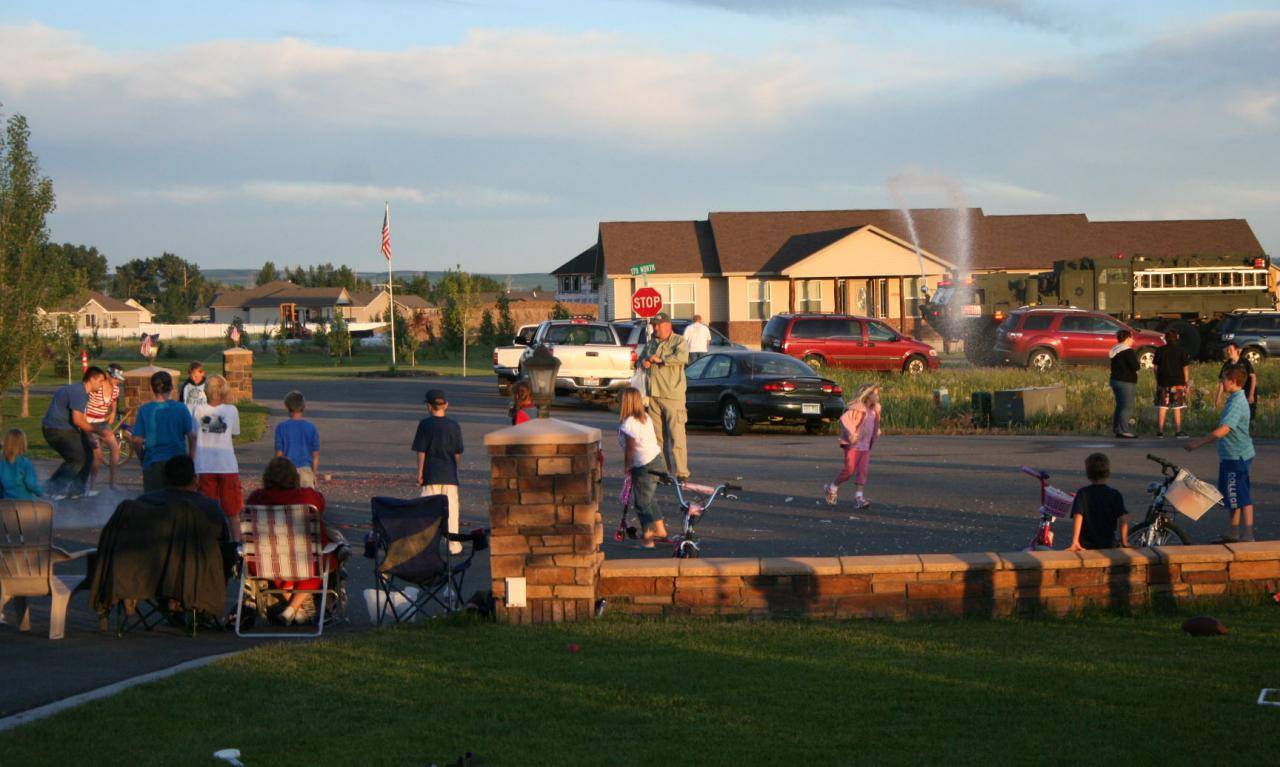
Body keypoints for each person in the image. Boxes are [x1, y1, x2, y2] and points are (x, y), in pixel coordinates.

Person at [244, 457, 334, 625]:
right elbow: (321, 504)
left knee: (280, 562)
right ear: (294, 477)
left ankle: (294, 608)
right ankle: (294, 607)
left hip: (266, 563)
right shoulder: (307, 497)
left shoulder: (256, 499)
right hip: (304, 562)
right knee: (324, 555)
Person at [1186, 365, 1255, 542]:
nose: (1221, 382)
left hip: (1236, 457)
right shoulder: (1234, 398)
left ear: (1233, 381)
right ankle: (1234, 532)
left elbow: (1224, 429)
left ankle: (1248, 535)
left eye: (1223, 379)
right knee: (1232, 497)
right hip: (1231, 456)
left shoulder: (1237, 402)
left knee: (1240, 495)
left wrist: (1198, 444)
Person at [411, 389, 464, 554]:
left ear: (428, 406)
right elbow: (457, 453)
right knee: (452, 511)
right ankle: (454, 545)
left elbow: (421, 451)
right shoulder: (454, 426)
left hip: (431, 473)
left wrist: (420, 472)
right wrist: (455, 469)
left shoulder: (425, 425)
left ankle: (424, 543)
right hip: (449, 473)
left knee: (427, 510)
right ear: (446, 405)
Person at [41, 367, 107, 499]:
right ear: (92, 379)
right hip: (55, 429)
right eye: (100, 381)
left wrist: (90, 438)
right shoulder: (78, 392)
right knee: (77, 458)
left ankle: (76, 490)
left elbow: (81, 419)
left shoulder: (82, 391)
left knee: (89, 453)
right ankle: (50, 489)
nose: (101, 385)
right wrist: (98, 430)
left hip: (65, 428)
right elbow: (77, 421)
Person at [640, 312, 690, 481]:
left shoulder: (679, 341)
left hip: (672, 395)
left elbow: (682, 357)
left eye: (658, 325)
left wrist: (660, 359)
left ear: (668, 325)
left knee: (677, 436)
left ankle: (682, 472)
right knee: (657, 438)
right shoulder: (651, 343)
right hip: (653, 395)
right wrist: (644, 361)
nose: (655, 328)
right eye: (654, 325)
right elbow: (641, 359)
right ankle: (663, 472)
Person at [192, 375, 243, 534]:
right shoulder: (231, 410)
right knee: (233, 513)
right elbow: (235, 432)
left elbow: (194, 435)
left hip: (205, 464)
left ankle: (211, 543)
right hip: (226, 464)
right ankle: (237, 546)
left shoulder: (198, 410)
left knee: (207, 512)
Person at [131, 371, 196, 493]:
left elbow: (136, 440)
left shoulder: (145, 410)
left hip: (154, 462)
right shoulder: (181, 408)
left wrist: (142, 458)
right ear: (171, 388)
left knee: (154, 502)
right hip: (178, 462)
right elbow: (192, 436)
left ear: (151, 388)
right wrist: (191, 459)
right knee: (179, 500)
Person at [618, 387, 667, 546]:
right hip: (656, 460)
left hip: (644, 465)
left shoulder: (629, 423)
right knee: (649, 498)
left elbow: (630, 448)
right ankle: (660, 531)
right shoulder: (645, 417)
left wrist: (627, 466)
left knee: (642, 503)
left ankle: (648, 539)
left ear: (625, 403)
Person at [824, 383, 881, 509]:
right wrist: (852, 433)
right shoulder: (857, 408)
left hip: (866, 446)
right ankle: (832, 487)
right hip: (853, 445)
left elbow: (874, 424)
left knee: (862, 471)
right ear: (867, 395)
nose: (877, 396)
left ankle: (858, 497)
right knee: (849, 470)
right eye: (875, 394)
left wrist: (877, 431)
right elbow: (844, 419)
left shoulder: (874, 410)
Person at [1066, 452, 1129, 551]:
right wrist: (1125, 541)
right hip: (1108, 544)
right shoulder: (1115, 494)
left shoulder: (1083, 493)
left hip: (1086, 545)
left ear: (1088, 473)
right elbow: (1123, 519)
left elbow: (1078, 516)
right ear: (1107, 472)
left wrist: (1075, 541)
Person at [86, 364, 126, 491]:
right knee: (98, 456)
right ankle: (92, 485)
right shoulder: (97, 386)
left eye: (119, 379)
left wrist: (113, 412)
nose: (117, 381)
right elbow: (84, 400)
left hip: (102, 422)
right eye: (115, 378)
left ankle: (112, 483)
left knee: (115, 448)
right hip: (89, 422)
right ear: (108, 375)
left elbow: (114, 400)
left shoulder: (115, 389)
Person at [274, 390, 320, 488]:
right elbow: (315, 455)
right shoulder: (311, 428)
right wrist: (313, 474)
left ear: (286, 406)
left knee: (288, 500)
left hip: (287, 471)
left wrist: (277, 472)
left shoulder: (281, 427)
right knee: (305, 500)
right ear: (304, 407)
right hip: (306, 470)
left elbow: (279, 454)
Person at [1152, 329, 1190, 438]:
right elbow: (1185, 368)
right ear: (1177, 338)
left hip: (1163, 382)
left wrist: (1157, 380)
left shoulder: (1160, 350)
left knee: (1162, 406)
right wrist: (1186, 382)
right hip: (1178, 382)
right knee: (1177, 407)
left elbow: (1155, 367)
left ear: (1166, 338)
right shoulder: (1182, 351)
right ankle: (1178, 431)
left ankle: (1160, 431)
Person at [1216, 341, 1257, 426]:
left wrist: (1251, 394)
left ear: (1237, 350)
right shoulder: (1227, 364)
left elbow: (1253, 377)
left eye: (1230, 349)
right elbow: (1221, 381)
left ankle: (1252, 429)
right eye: (1227, 350)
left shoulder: (1244, 362)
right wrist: (1218, 396)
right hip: (1235, 392)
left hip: (1247, 390)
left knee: (1250, 413)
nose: (1228, 352)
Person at [1108, 330, 1139, 439]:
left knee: (1120, 406)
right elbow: (1135, 366)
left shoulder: (1115, 349)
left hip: (1115, 380)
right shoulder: (1128, 351)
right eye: (1131, 338)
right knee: (1127, 407)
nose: (1132, 340)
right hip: (1126, 381)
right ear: (1127, 339)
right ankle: (1124, 430)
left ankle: (1117, 428)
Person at [1, 429, 42, 500]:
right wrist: (43, 493)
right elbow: (31, 485)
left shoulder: (1, 463)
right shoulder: (25, 463)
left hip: (7, 504)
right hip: (25, 504)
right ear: (23, 443)